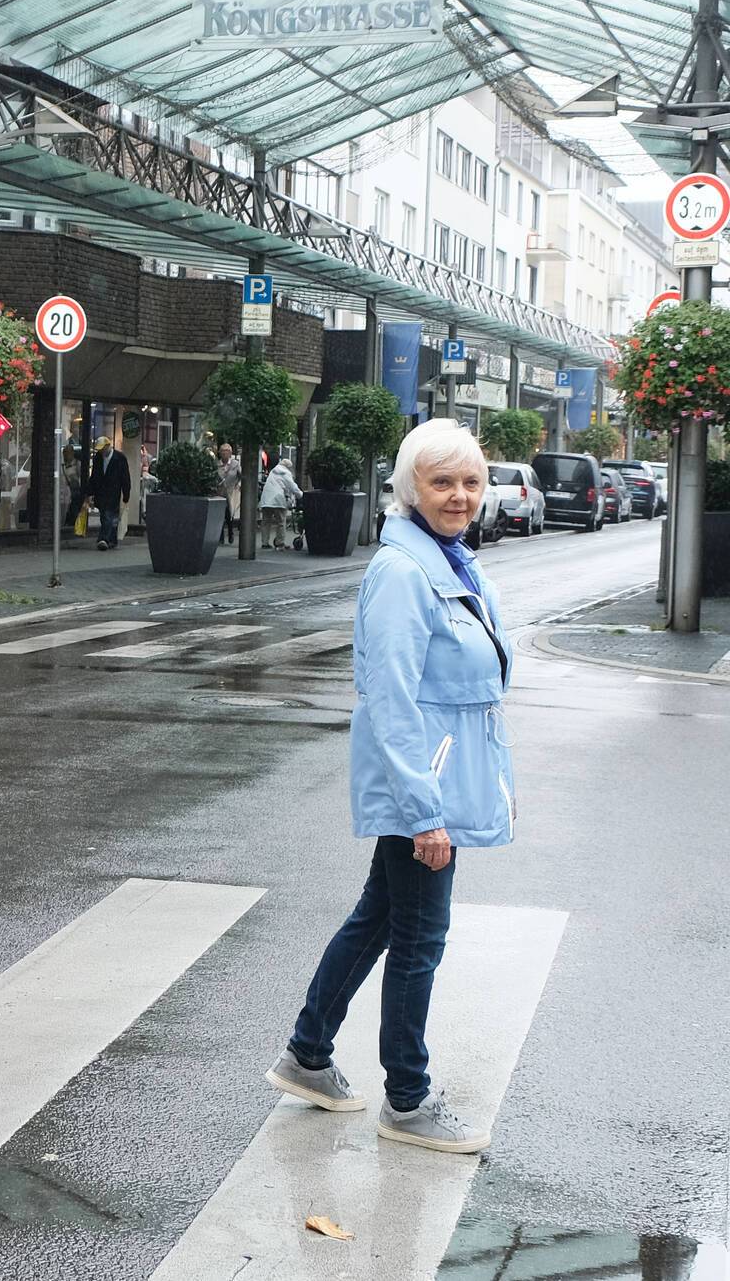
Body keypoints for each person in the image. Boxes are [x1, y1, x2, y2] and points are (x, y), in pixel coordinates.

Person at [265, 419, 514, 1154]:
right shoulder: (406, 572)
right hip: (422, 791)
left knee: (378, 918)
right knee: (418, 940)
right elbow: (391, 699)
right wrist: (423, 812)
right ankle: (407, 1098)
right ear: (410, 488)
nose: (460, 494)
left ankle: (308, 1053)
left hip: (433, 782)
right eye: (442, 481)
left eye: (470, 481)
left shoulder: (451, 560)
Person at [91, 438, 131, 551]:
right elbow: (94, 476)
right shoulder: (98, 458)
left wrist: (126, 493)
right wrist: (90, 492)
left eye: (103, 449)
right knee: (106, 517)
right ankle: (112, 540)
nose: (101, 451)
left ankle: (103, 539)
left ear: (108, 446)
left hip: (114, 492)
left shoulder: (120, 458)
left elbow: (125, 478)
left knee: (108, 515)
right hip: (101, 492)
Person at [260, 455, 302, 548]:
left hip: (266, 499)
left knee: (266, 521)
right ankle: (280, 542)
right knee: (281, 521)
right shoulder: (286, 473)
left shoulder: (273, 471)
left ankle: (264, 543)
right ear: (288, 467)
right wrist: (301, 495)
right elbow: (292, 486)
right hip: (278, 499)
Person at [217, 443, 241, 544]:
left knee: (229, 515)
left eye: (227, 451)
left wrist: (238, 485)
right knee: (219, 515)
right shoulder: (217, 464)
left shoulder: (235, 464)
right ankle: (220, 537)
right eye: (222, 451)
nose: (225, 453)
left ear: (230, 453)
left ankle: (230, 533)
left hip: (231, 493)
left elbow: (241, 476)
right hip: (219, 493)